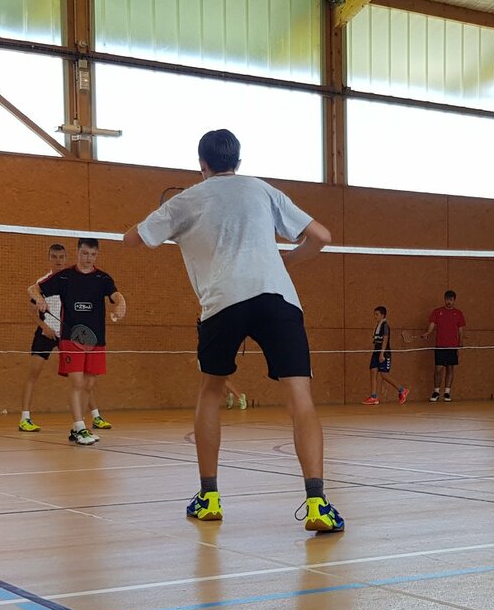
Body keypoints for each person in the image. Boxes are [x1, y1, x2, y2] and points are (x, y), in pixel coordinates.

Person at [129, 128, 343, 533]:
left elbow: (132, 240)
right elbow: (322, 236)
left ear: (202, 164)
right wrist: (287, 262)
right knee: (299, 395)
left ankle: (208, 497)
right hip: (277, 297)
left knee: (212, 390)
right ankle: (317, 502)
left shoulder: (187, 199)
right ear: (238, 162)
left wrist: (171, 225)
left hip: (222, 302)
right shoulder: (261, 189)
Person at [29, 238, 126, 446]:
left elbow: (115, 294)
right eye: (84, 253)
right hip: (71, 337)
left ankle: (77, 429)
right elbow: (33, 289)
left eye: (92, 254)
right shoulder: (65, 277)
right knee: (77, 383)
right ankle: (81, 426)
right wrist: (40, 299)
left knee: (89, 384)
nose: (88, 258)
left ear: (96, 255)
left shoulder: (102, 278)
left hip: (96, 339)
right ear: (78, 252)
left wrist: (121, 303)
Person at [19, 243, 110, 433]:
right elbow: (31, 310)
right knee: (33, 373)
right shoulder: (43, 282)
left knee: (83, 378)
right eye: (54, 257)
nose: (58, 260)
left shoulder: (72, 279)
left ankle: (95, 416)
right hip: (47, 332)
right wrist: (44, 327)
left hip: (70, 334)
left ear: (66, 258)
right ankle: (25, 418)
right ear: (49, 258)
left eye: (61, 257)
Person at [423, 290, 465, 402]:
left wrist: (460, 345)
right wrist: (427, 333)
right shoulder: (437, 312)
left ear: (454, 300)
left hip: (453, 346)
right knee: (438, 368)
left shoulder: (458, 313)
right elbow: (432, 325)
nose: (449, 302)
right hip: (440, 345)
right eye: (447, 299)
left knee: (450, 368)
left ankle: (447, 392)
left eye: (451, 300)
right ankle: (436, 391)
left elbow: (461, 330)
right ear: (444, 299)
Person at [365, 306, 409, 405]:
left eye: (377, 314)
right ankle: (373, 397)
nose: (375, 316)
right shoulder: (377, 326)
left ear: (383, 315)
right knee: (373, 371)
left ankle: (402, 390)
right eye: (374, 314)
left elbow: (385, 340)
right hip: (376, 352)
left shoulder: (385, 326)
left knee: (384, 374)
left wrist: (382, 354)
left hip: (384, 353)